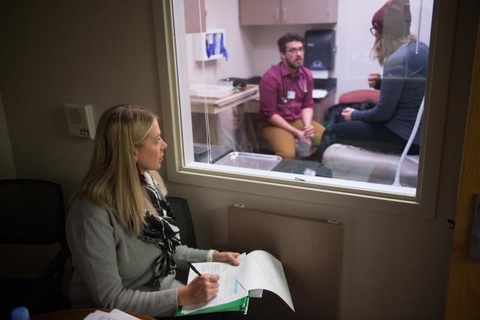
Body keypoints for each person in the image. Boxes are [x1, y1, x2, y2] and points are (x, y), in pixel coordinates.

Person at [66, 104, 244, 319]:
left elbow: (167, 250)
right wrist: (183, 296)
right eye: (157, 140)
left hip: (166, 295)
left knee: (236, 309)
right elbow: (111, 299)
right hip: (126, 312)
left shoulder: (148, 183)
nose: (165, 145)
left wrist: (213, 256)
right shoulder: (91, 214)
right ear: (133, 151)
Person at [322, 0, 429, 157]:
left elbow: (382, 113)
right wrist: (382, 84)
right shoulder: (421, 49)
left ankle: (320, 179)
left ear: (384, 33)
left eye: (375, 30)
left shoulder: (396, 60)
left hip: (401, 137)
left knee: (331, 132)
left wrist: (354, 115)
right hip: (418, 136)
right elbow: (411, 89)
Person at [258, 32, 325, 159]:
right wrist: (297, 133)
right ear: (282, 54)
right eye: (292, 51)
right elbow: (270, 114)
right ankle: (282, 177)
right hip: (273, 124)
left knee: (327, 138)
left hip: (297, 121)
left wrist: (307, 125)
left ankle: (311, 174)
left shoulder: (307, 75)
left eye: (300, 49)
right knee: (287, 154)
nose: (298, 54)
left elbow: (307, 105)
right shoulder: (270, 78)